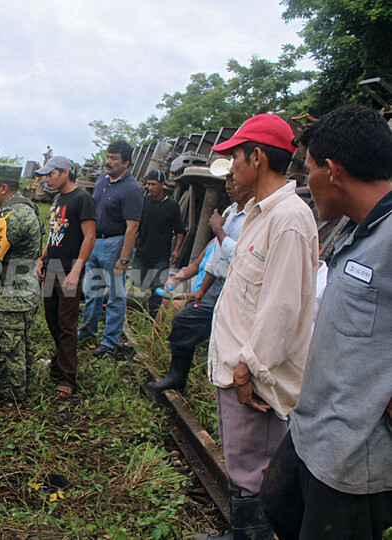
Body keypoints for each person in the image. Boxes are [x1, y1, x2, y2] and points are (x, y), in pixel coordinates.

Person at [261, 105, 392, 540]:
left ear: (332, 171)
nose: (305, 181)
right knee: (277, 503)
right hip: (313, 430)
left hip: (353, 459)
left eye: (309, 168)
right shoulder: (356, 231)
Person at [195, 114, 318, 540]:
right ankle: (241, 533)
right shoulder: (257, 215)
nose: (231, 169)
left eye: (235, 158)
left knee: (256, 473)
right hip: (237, 372)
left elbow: (282, 309)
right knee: (242, 465)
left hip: (252, 379)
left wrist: (249, 370)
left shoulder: (288, 219)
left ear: (258, 157)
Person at [147, 171, 252, 393]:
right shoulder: (230, 213)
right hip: (215, 286)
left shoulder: (254, 217)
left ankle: (215, 385)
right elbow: (213, 259)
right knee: (183, 322)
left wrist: (219, 230)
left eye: (233, 180)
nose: (228, 185)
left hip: (238, 286)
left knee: (228, 340)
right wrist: (201, 290)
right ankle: (176, 375)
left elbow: (240, 258)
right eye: (227, 180)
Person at [0, 163, 41, 400]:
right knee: (20, 343)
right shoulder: (23, 209)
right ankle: (20, 386)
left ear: (3, 187)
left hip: (12, 294)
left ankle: (10, 395)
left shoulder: (12, 216)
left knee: (6, 347)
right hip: (23, 289)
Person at [35, 156, 96, 398]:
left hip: (69, 269)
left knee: (67, 324)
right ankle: (58, 363)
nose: (47, 179)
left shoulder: (83, 199)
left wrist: (76, 271)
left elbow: (89, 237)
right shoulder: (57, 199)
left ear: (65, 172)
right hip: (52, 267)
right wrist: (42, 257)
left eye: (51, 174)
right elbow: (54, 233)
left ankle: (68, 378)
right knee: (52, 319)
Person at [79, 141, 142, 357]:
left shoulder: (132, 189)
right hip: (95, 242)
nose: (109, 161)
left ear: (126, 162)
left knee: (115, 295)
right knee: (91, 291)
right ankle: (88, 331)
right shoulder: (101, 180)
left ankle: (110, 341)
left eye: (114, 158)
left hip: (115, 244)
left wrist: (123, 259)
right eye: (108, 156)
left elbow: (132, 227)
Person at [131, 169, 185, 317]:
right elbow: (135, 226)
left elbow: (180, 230)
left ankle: (152, 318)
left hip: (160, 255)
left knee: (158, 289)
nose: (150, 187)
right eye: (148, 184)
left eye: (154, 184)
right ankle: (138, 309)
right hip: (142, 252)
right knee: (136, 283)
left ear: (162, 185)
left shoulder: (172, 206)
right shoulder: (144, 202)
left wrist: (177, 250)